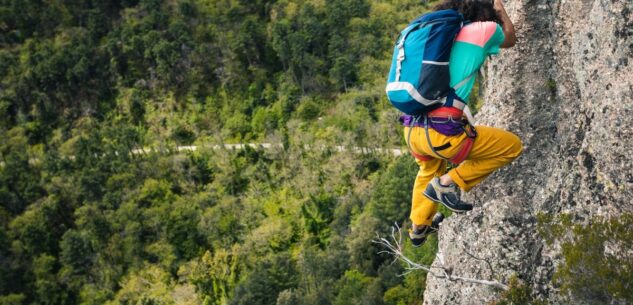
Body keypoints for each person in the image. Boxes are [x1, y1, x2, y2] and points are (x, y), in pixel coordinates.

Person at [406, 0, 522, 246]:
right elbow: (510, 37)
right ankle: (448, 183)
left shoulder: (436, 40)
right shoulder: (482, 30)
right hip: (443, 135)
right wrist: (497, 4)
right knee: (511, 146)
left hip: (413, 131)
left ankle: (418, 225)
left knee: (428, 169)